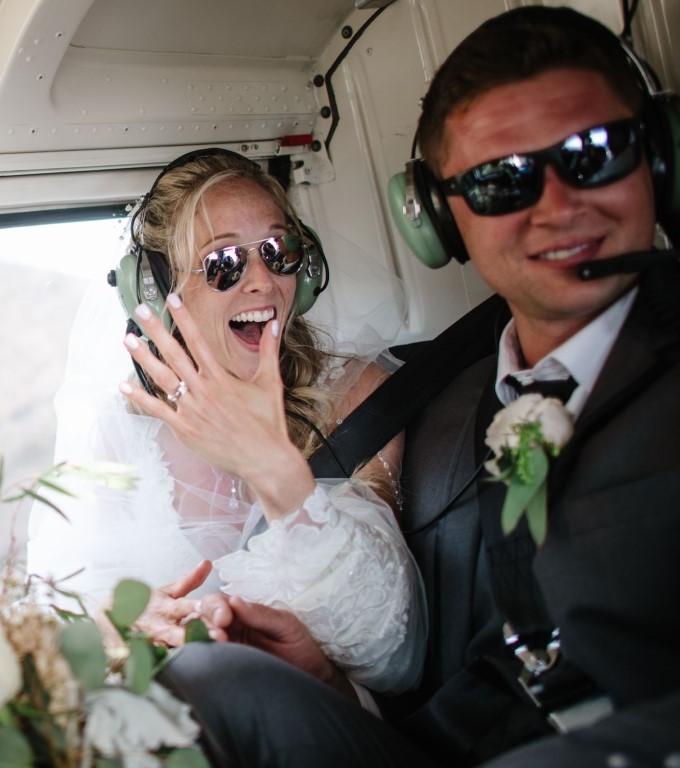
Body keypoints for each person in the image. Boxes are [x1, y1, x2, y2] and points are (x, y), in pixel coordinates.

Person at [157, 6, 680, 767]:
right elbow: (490, 679)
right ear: (438, 218)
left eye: (593, 154)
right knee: (205, 680)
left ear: (658, 157)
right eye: (501, 180)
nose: (558, 207)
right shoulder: (459, 406)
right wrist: (332, 683)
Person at [27, 147, 425, 697]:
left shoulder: (357, 396)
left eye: (279, 251)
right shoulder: (122, 429)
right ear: (158, 289)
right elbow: (63, 609)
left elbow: (391, 652)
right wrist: (117, 627)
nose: (262, 281)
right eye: (224, 262)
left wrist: (268, 466)